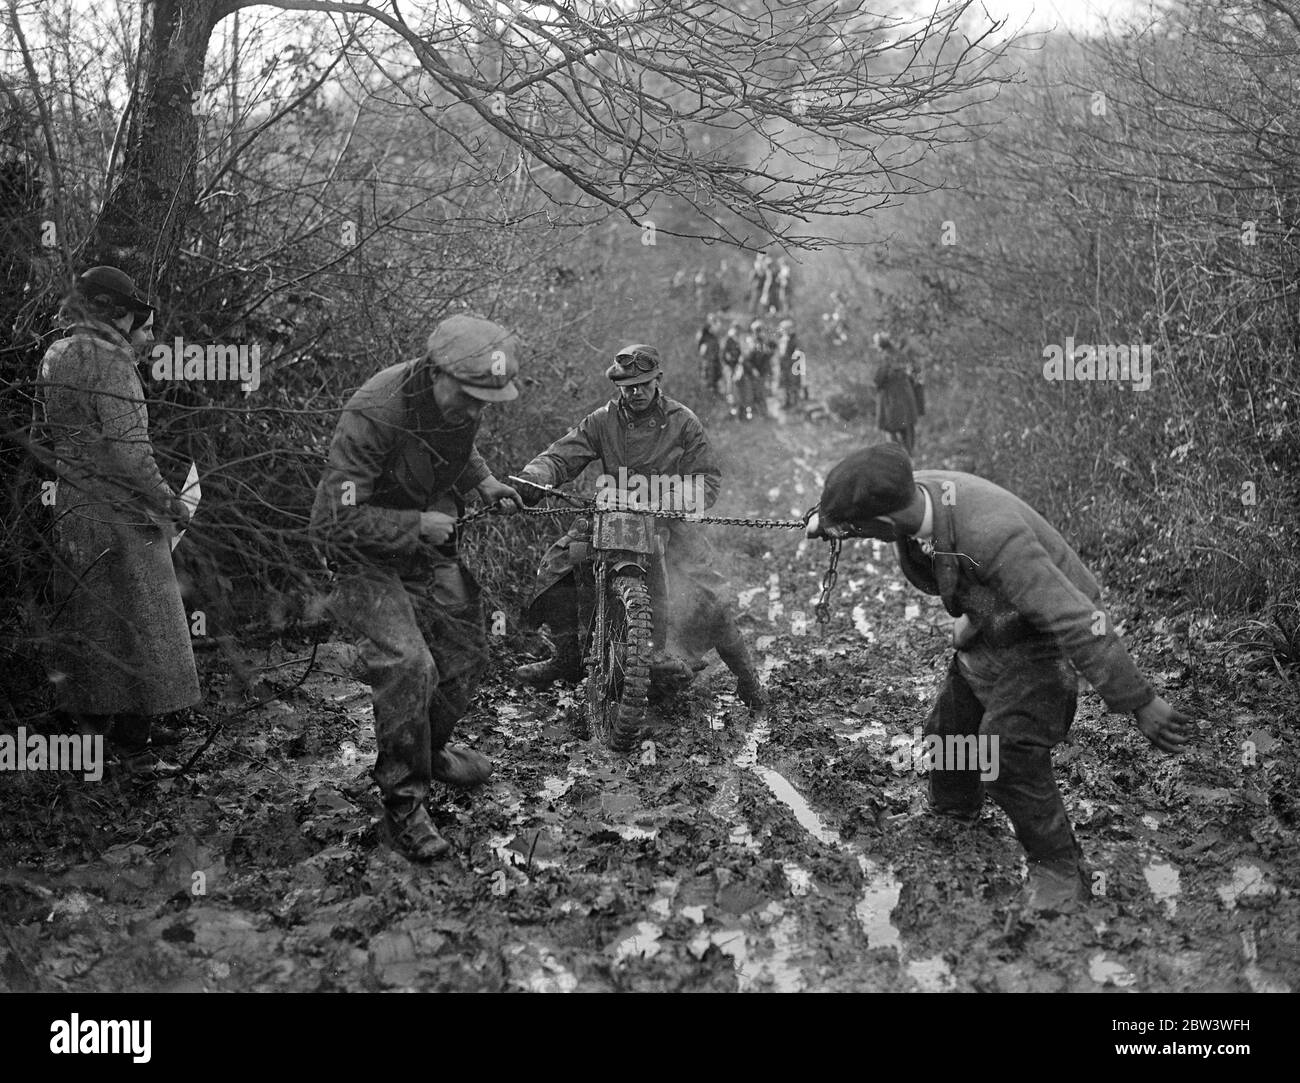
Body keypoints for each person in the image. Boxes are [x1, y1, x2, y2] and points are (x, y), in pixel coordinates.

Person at [805, 444, 1196, 911]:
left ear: (887, 527)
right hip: (995, 616)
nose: (860, 538)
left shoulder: (991, 535)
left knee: (1006, 751)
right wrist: (828, 520)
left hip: (1043, 634)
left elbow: (1075, 618)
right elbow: (861, 497)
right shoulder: (911, 492)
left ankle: (1060, 868)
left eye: (861, 533)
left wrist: (1140, 700)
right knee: (948, 731)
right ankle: (955, 811)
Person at [310, 315, 525, 863]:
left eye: (487, 401)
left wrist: (482, 483)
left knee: (467, 650)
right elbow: (332, 519)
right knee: (409, 663)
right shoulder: (375, 410)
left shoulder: (457, 404)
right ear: (435, 373)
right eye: (472, 397)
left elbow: (457, 450)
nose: (478, 410)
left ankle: (427, 751)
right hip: (361, 555)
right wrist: (415, 525)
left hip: (423, 547)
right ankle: (404, 802)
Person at [512, 344, 763, 707]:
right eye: (628, 386)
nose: (636, 392)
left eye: (644, 383)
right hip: (615, 517)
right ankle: (567, 657)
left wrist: (671, 500)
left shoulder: (682, 421)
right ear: (618, 386)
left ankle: (747, 679)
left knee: (710, 593)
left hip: (670, 522)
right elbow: (561, 455)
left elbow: (707, 479)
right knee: (559, 564)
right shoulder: (602, 420)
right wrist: (532, 479)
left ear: (658, 380)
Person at [31, 266, 200, 780]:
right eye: (135, 316)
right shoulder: (111, 363)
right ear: (118, 314)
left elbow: (42, 433)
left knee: (92, 625)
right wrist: (172, 503)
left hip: (72, 507)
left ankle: (99, 742)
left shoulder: (55, 354)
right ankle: (134, 749)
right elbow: (131, 452)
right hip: (121, 511)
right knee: (142, 624)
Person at [872, 331, 918, 453]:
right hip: (906, 397)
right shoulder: (901, 355)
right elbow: (913, 373)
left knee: (890, 429)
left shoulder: (884, 358)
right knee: (907, 428)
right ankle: (909, 454)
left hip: (890, 399)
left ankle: (897, 456)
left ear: (880, 345)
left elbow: (878, 379)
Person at [739, 319, 774, 421]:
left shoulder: (763, 343)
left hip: (761, 372)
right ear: (756, 331)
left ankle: (763, 414)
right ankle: (756, 415)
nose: (763, 333)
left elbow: (766, 357)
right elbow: (746, 360)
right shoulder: (751, 343)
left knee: (761, 394)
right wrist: (753, 370)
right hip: (752, 373)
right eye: (761, 330)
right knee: (753, 395)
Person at [775, 318, 802, 409]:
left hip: (792, 365)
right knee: (784, 385)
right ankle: (786, 402)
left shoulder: (794, 339)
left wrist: (793, 359)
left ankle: (795, 403)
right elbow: (780, 352)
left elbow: (798, 351)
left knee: (793, 385)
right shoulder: (782, 340)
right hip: (783, 366)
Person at [720, 324, 743, 417]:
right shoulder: (727, 341)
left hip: (735, 368)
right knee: (730, 389)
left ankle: (736, 410)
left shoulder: (736, 340)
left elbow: (740, 354)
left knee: (736, 389)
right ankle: (731, 410)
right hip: (729, 368)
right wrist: (727, 367)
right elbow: (723, 356)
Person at [697, 314, 722, 398]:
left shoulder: (712, 339)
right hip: (709, 373)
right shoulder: (707, 340)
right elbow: (708, 360)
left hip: (713, 372)